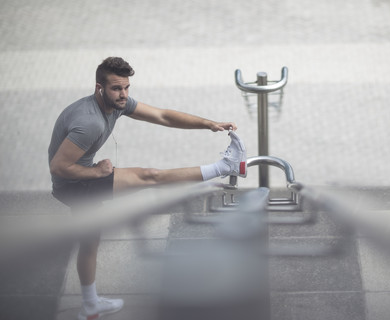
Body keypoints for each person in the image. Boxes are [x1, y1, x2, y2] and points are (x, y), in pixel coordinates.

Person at [48, 57, 247, 320]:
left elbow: (163, 116)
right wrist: (95, 172)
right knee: (149, 176)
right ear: (99, 88)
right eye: (116, 88)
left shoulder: (116, 104)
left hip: (77, 177)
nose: (123, 94)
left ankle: (90, 305)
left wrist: (209, 123)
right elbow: (58, 167)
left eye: (127, 87)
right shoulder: (90, 122)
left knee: (89, 242)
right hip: (74, 183)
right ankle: (226, 166)